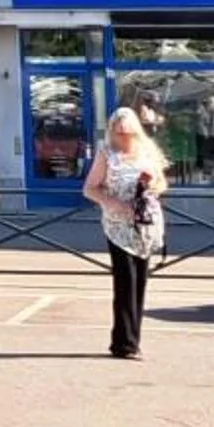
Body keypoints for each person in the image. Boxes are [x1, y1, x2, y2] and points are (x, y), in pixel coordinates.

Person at [85, 106, 168, 358]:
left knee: (140, 281)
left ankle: (132, 338)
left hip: (144, 224)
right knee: (125, 282)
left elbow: (162, 182)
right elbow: (89, 188)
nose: (123, 137)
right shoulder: (106, 153)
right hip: (118, 226)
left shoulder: (147, 151)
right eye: (118, 132)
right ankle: (124, 343)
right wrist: (112, 204)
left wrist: (152, 185)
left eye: (128, 132)